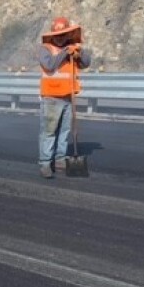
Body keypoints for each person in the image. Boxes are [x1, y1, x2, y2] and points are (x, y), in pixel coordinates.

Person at [37, 16, 91, 178]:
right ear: (53, 35)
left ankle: (60, 159)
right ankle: (45, 163)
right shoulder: (45, 49)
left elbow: (86, 63)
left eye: (63, 35)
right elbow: (49, 65)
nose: (60, 38)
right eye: (58, 35)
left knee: (64, 131)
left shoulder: (72, 48)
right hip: (51, 97)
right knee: (49, 132)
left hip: (68, 97)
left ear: (67, 34)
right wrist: (64, 53)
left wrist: (79, 53)